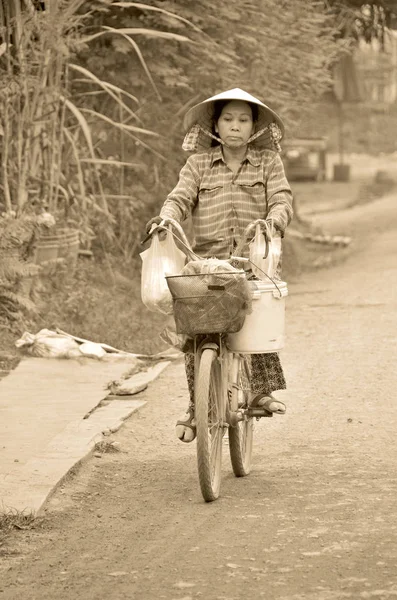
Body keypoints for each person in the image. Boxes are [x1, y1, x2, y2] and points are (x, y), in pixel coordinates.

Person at [146, 88, 293, 442]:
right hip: (205, 261)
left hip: (252, 259)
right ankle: (198, 407)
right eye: (228, 119)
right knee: (197, 330)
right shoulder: (198, 164)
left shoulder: (268, 162)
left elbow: (281, 198)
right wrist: (166, 219)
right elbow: (179, 198)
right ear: (215, 124)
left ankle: (260, 392)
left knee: (258, 312)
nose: (235, 127)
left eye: (243, 120)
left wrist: (273, 221)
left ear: (255, 127)